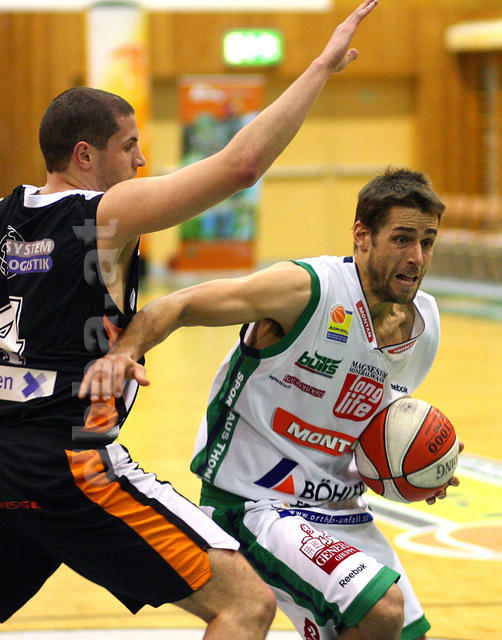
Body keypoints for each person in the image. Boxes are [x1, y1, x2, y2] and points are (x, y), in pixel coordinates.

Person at [0, 1, 379, 636]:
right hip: (70, 465)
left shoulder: (6, 220)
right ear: (85, 155)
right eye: (130, 146)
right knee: (246, 604)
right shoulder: (100, 215)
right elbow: (238, 167)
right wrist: (319, 67)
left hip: (9, 462)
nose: (141, 161)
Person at [79, 166, 463, 640]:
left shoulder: (425, 324)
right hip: (255, 502)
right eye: (402, 239)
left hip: (340, 506)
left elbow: (378, 425)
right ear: (362, 236)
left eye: (427, 241)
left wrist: (422, 466)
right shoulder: (308, 290)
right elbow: (181, 305)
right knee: (381, 611)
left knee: (405, 632)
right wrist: (123, 352)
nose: (417, 257)